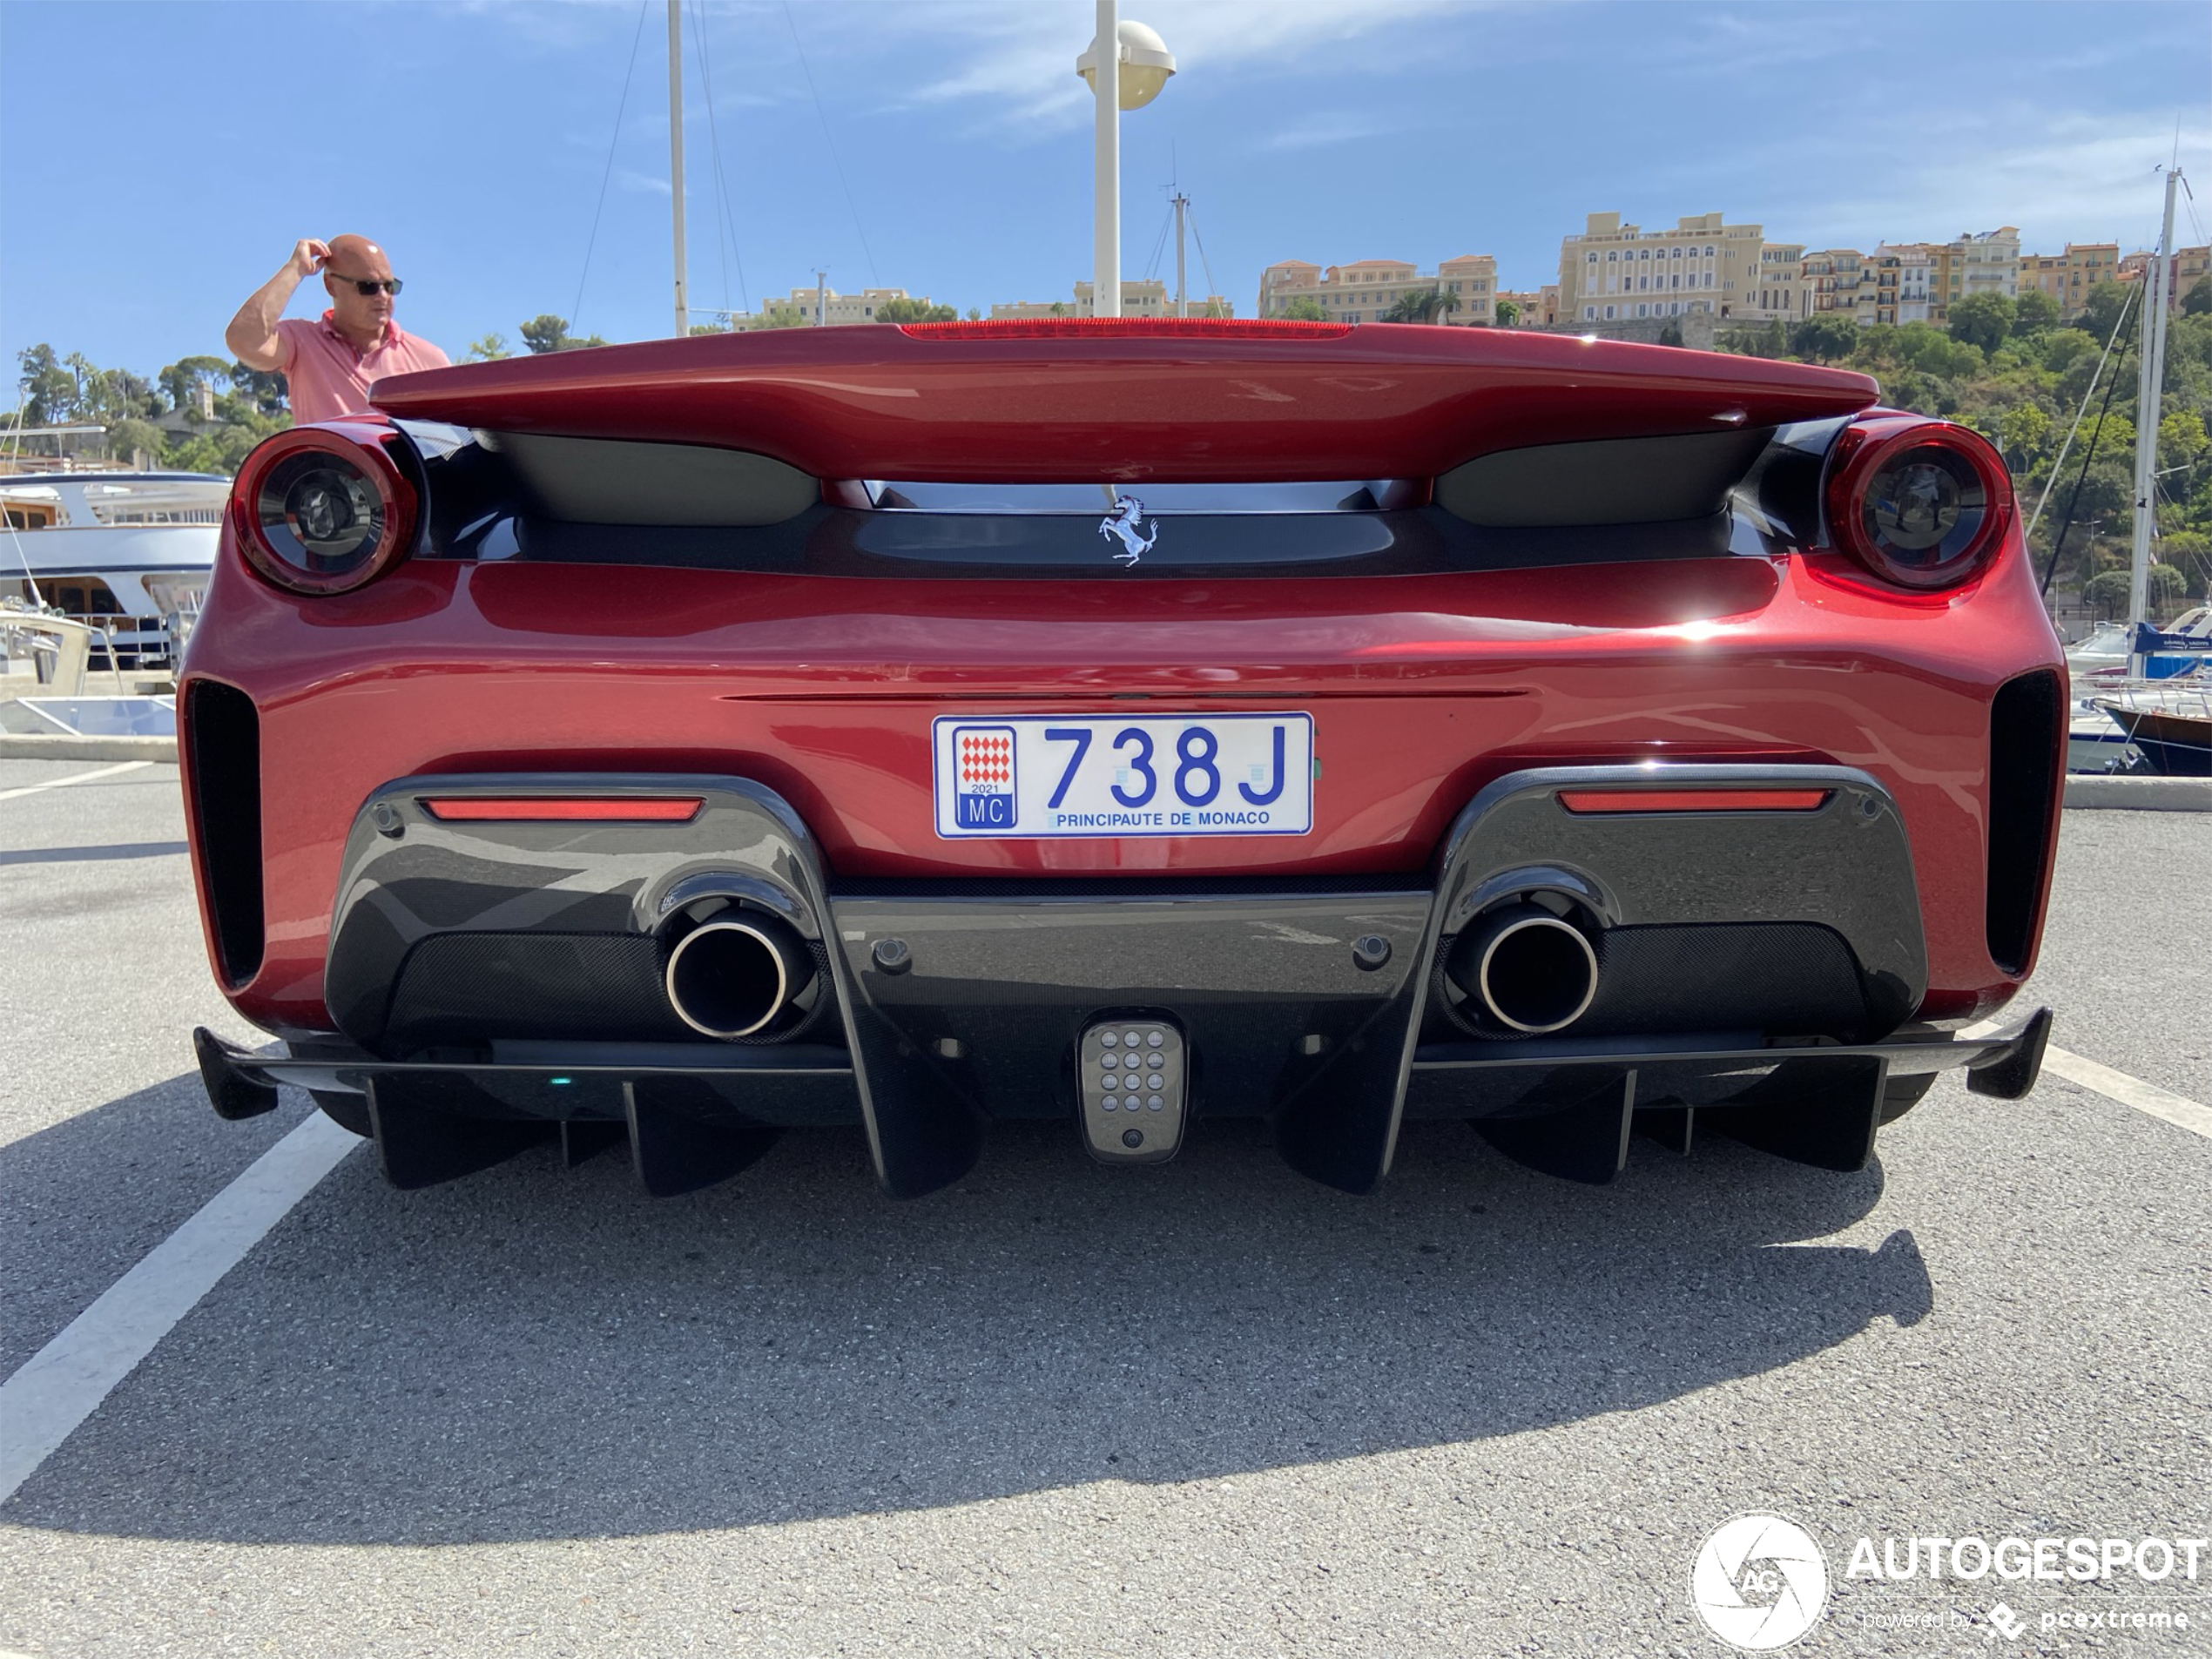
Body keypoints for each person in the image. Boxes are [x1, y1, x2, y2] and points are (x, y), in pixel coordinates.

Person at [225, 234, 449, 423]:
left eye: (390, 286)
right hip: (329, 474)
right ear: (330, 285)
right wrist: (295, 269)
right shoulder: (302, 342)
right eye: (368, 287)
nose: (382, 296)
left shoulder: (430, 360)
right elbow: (243, 339)